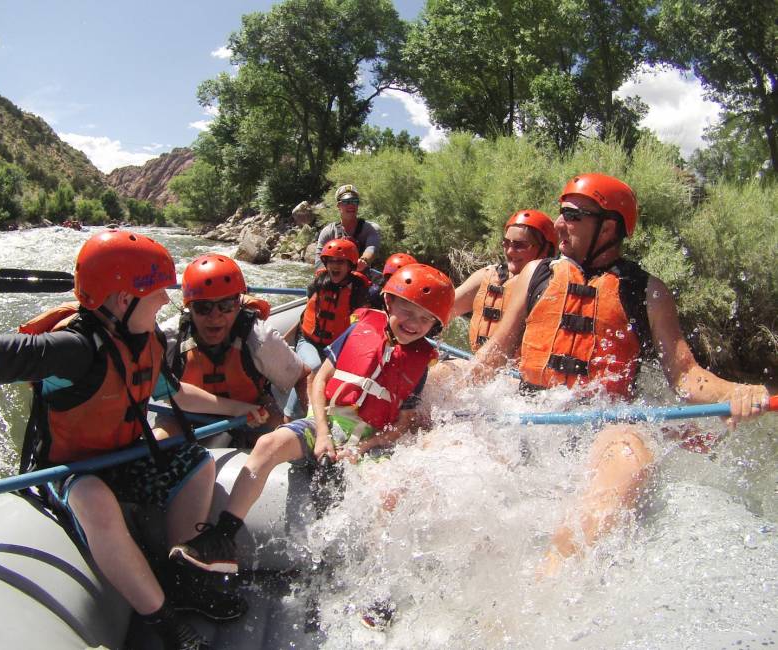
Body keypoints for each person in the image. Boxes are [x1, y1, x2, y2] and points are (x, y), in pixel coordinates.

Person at [0, 231, 268, 649]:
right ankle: (164, 621)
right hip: (67, 471)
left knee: (197, 462)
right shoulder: (74, 350)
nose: (167, 301)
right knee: (93, 497)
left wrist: (235, 408)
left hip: (120, 457)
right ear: (124, 301)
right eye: (158, 291)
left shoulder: (147, 340)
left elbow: (173, 392)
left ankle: (179, 576)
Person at [461, 173, 772, 575]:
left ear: (607, 226)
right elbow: (488, 361)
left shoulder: (649, 293)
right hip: (529, 414)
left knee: (630, 451)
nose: (558, 224)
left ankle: (557, 570)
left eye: (572, 216)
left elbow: (686, 376)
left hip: (601, 422)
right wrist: (434, 389)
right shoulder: (535, 274)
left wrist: (739, 391)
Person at [191, 264, 455, 579]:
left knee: (389, 493)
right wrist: (324, 432)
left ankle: (376, 580)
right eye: (407, 312)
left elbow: (401, 424)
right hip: (324, 423)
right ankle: (222, 537)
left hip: (366, 441)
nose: (414, 324)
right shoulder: (359, 329)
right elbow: (318, 381)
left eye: (425, 319)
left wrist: (364, 448)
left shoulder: (421, 363)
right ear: (389, 303)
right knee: (267, 443)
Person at [157, 253, 310, 445]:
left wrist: (305, 418)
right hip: (186, 416)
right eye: (203, 307)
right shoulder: (170, 337)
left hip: (253, 413)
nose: (215, 316)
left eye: (226, 305)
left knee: (279, 441)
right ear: (188, 307)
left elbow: (302, 375)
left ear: (238, 305)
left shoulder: (258, 337)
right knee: (159, 442)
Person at [283, 238, 370, 420]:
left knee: (332, 374)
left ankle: (317, 417)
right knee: (314, 366)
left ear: (350, 265)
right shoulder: (319, 283)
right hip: (307, 341)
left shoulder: (358, 292)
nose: (334, 266)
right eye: (331, 261)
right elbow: (306, 313)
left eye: (340, 261)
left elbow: (362, 325)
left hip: (336, 348)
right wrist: (286, 337)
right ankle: (298, 417)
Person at [455, 210, 557, 352]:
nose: (509, 251)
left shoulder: (553, 289)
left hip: (515, 373)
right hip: (481, 364)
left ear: (546, 249)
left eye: (520, 245)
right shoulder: (488, 276)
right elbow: (443, 308)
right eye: (506, 243)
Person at [315, 184, 381, 273]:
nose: (351, 205)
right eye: (346, 201)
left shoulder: (371, 229)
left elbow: (372, 248)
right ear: (338, 205)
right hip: (334, 276)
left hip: (360, 277)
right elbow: (319, 260)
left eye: (355, 201)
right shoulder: (328, 231)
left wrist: (364, 260)